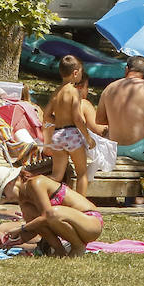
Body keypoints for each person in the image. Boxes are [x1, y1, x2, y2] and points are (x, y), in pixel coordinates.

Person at [14, 169, 105, 256]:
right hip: (74, 227)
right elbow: (36, 227)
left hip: (91, 223)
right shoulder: (24, 200)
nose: (5, 199)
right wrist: (14, 239)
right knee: (31, 213)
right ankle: (59, 250)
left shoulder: (35, 183)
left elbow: (46, 216)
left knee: (52, 213)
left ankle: (78, 246)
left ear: (11, 183)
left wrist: (20, 229)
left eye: (3, 195)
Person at [43, 55, 100, 194]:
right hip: (71, 135)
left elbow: (46, 116)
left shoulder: (57, 92)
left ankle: (38, 189)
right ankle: (82, 206)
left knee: (56, 176)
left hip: (57, 135)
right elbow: (77, 119)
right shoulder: (74, 91)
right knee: (82, 173)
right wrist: (88, 138)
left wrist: (60, 121)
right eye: (80, 71)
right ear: (75, 73)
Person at [97, 55, 144, 164]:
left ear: (126, 70)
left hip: (114, 149)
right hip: (140, 150)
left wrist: (116, 120)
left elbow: (99, 120)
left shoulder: (109, 88)